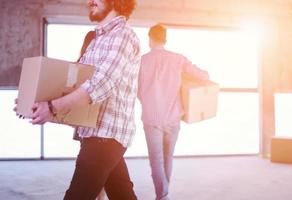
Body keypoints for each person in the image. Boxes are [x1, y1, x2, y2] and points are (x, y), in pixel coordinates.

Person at [20, 0, 141, 199]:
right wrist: (34, 103)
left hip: (106, 135)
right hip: (95, 133)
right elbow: (75, 85)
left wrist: (51, 107)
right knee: (122, 194)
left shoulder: (123, 36)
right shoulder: (96, 40)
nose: (89, 1)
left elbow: (99, 85)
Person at [138, 24, 209, 200]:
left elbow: (136, 89)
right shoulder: (178, 59)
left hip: (151, 117)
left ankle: (162, 195)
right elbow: (202, 76)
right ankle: (163, 195)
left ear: (150, 39)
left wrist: (147, 99)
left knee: (156, 160)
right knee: (167, 157)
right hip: (173, 117)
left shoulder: (141, 61)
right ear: (165, 39)